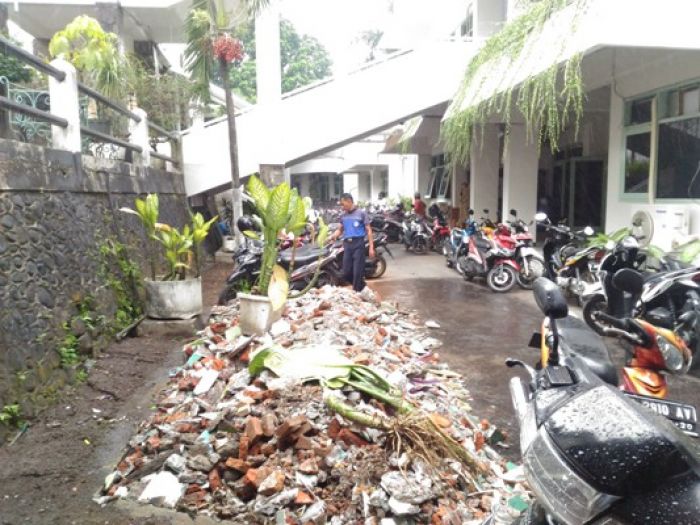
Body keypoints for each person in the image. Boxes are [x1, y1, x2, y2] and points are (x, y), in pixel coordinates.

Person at [329, 193, 375, 292]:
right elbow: (340, 230)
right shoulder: (343, 216)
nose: (342, 207)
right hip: (347, 244)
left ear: (349, 201)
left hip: (358, 243)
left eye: (343, 204)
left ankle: (356, 291)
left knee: (358, 271)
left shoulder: (361, 214)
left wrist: (371, 247)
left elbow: (369, 230)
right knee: (346, 272)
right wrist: (333, 236)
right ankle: (361, 285)